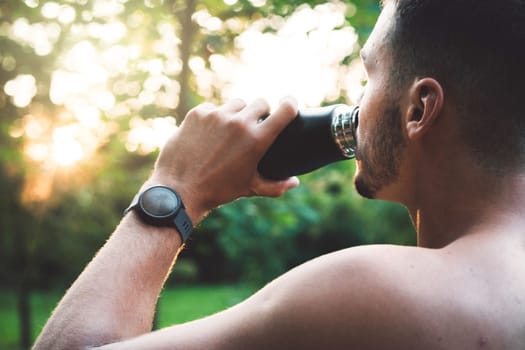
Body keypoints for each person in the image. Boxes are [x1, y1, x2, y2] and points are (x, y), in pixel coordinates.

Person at [34, 0, 525, 348]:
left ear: (419, 108)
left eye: (369, 75)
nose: (356, 103)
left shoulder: (376, 292)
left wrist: (175, 187)